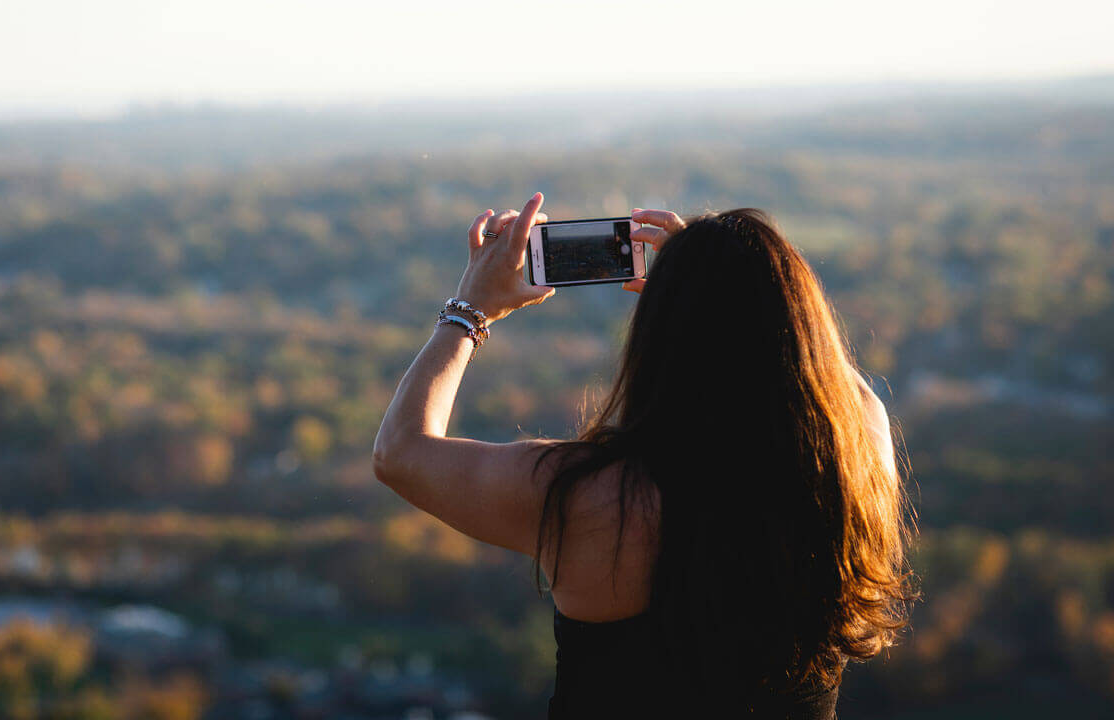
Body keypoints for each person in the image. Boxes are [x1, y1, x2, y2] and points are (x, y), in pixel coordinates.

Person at [373, 192, 914, 718]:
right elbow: (827, 380)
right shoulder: (853, 462)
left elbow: (400, 452)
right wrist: (735, 289)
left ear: (655, 336)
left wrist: (471, 307)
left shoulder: (585, 497)